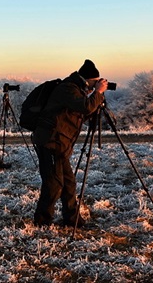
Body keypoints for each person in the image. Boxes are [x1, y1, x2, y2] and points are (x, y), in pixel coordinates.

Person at [32, 59, 108, 227]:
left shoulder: (76, 89)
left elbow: (80, 113)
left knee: (68, 182)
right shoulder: (68, 89)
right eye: (95, 82)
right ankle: (42, 220)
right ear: (87, 79)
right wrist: (98, 93)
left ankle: (72, 219)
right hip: (50, 141)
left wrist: (96, 99)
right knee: (54, 183)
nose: (96, 86)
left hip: (59, 143)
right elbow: (85, 107)